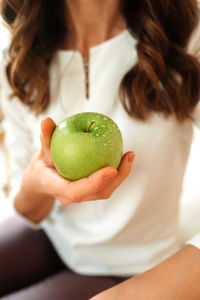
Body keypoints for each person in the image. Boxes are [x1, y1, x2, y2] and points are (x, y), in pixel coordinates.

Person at [0, 0, 200, 299]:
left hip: (133, 261)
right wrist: (38, 180)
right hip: (52, 236)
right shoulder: (18, 54)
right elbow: (27, 208)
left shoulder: (185, 33)